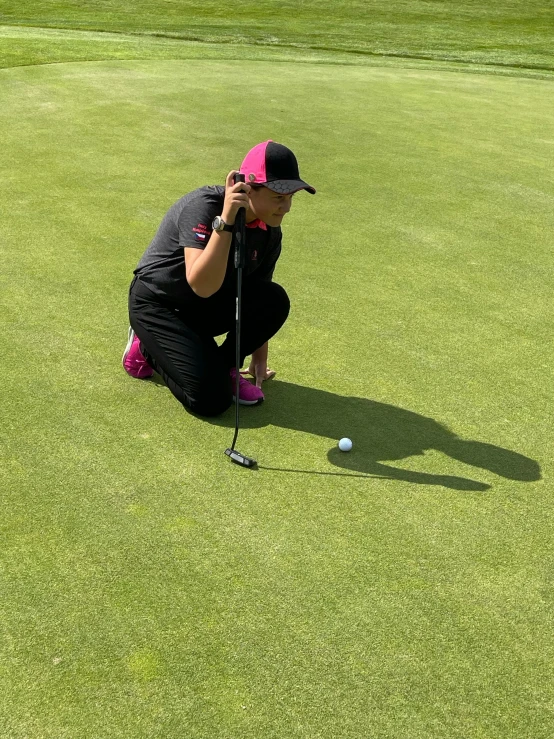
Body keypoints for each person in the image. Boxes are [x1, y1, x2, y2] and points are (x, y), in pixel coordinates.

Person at [123, 140, 316, 417]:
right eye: (277, 197)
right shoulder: (203, 207)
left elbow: (258, 293)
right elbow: (202, 285)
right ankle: (147, 346)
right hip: (159, 305)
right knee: (211, 401)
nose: (286, 207)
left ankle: (225, 367)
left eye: (290, 198)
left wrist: (259, 357)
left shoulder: (269, 230)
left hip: (205, 307)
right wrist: (225, 222)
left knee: (274, 299)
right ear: (246, 188)